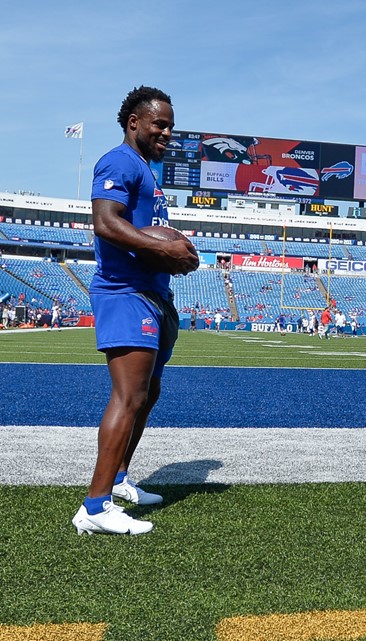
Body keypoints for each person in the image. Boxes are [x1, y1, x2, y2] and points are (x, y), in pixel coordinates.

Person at [72, 86, 199, 536]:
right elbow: (106, 223)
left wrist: (172, 254)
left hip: (152, 293)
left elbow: (147, 229)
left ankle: (120, 480)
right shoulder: (118, 161)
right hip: (124, 292)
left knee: (148, 395)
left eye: (170, 125)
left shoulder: (146, 169)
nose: (166, 132)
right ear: (134, 123)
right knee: (127, 397)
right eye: (158, 124)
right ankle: (94, 505)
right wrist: (169, 251)